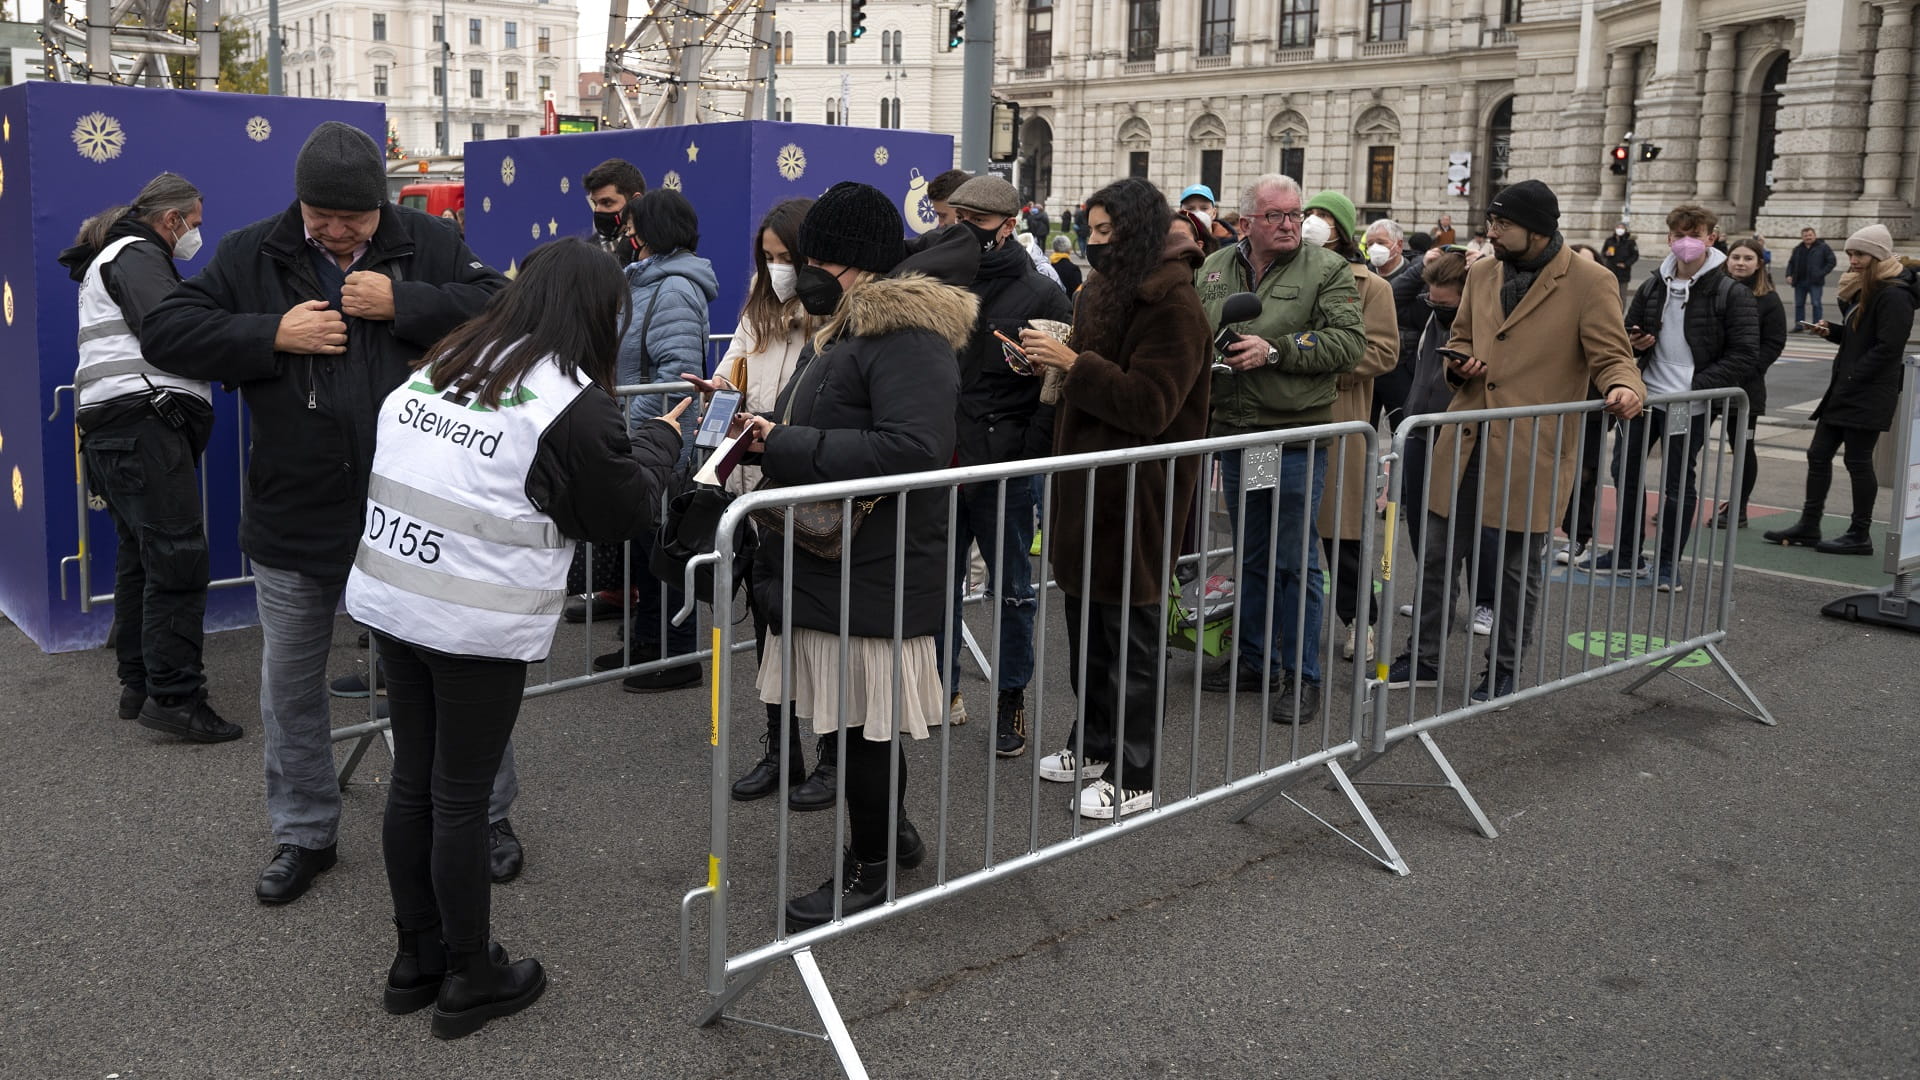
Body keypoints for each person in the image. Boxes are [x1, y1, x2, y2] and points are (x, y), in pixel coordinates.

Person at [142, 121, 511, 904]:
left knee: (456, 672)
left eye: (356, 218)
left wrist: (402, 301)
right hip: (294, 514)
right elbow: (169, 329)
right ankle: (305, 833)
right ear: (300, 200)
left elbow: (503, 312)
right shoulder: (253, 252)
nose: (338, 231)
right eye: (323, 216)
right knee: (290, 686)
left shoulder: (431, 242)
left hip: (413, 513)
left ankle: (484, 818)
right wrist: (270, 332)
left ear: (380, 205)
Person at [343, 238, 685, 1039]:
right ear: (599, 314)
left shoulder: (452, 361)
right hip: (472, 619)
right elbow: (621, 512)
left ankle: (415, 960)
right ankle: (470, 975)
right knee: (459, 799)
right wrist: (666, 441)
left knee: (414, 786)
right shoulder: (568, 398)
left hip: (396, 597)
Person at [735, 181, 977, 928]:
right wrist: (760, 423)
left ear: (857, 262)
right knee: (854, 722)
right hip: (837, 557)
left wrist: (785, 443)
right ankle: (892, 837)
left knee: (860, 728)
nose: (801, 271)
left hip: (875, 563)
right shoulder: (842, 329)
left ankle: (867, 871)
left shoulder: (903, 336)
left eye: (818, 257)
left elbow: (914, 447)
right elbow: (829, 417)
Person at [1386, 179, 1646, 703]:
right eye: (1491, 223)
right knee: (1436, 554)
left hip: (1532, 444)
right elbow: (1459, 336)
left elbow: (1613, 354)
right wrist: (1461, 364)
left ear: (1537, 229)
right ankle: (1424, 657)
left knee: (1515, 567)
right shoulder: (1482, 271)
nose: (1492, 233)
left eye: (1502, 225)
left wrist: (1624, 386)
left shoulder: (1591, 281)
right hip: (1464, 435)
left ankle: (1503, 668)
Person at [1018, 177, 1211, 816]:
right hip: (1086, 484)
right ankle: (1094, 738)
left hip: (1140, 494)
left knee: (1131, 635)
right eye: (1092, 230)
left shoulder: (1174, 305)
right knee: (1087, 626)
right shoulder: (1102, 291)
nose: (1095, 242)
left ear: (1137, 232)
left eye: (1106, 232)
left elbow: (1151, 404)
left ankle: (1135, 774)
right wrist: (1052, 359)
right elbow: (1096, 375)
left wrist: (1073, 365)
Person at [57, 173, 239, 743]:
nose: (197, 236)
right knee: (178, 557)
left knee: (142, 557)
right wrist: (251, 347)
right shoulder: (137, 254)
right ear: (172, 220)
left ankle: (140, 684)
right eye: (196, 225)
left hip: (120, 426)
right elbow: (171, 333)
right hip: (143, 424)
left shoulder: (117, 256)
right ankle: (176, 698)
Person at [1194, 174, 1365, 723]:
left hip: (1291, 436)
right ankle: (1254, 660)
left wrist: (1275, 350)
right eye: (1276, 216)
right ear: (1246, 223)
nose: (1291, 223)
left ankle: (1302, 674)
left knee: (1294, 560)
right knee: (1253, 550)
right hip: (1240, 434)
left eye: (1295, 214)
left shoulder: (1328, 269)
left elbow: (1349, 343)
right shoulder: (1215, 268)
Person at [938, 174, 1074, 758]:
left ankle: (1011, 700)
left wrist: (1028, 452)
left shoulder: (1042, 293)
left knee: (1015, 591)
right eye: (955, 220)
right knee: (936, 584)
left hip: (1007, 466)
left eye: (977, 224)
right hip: (939, 461)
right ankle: (942, 688)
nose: (963, 233)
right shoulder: (934, 281)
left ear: (1009, 225)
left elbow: (1055, 385)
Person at [703, 198, 826, 804]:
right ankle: (782, 751)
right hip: (754, 487)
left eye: (787, 257)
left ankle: (831, 757)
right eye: (769, 257)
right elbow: (735, 363)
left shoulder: (832, 308)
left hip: (809, 484)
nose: (776, 268)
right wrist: (720, 388)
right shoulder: (760, 299)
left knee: (821, 632)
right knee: (771, 625)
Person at [588, 189, 717, 693]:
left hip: (660, 437)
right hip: (642, 433)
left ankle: (678, 654)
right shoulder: (647, 280)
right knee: (645, 546)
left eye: (631, 224)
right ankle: (647, 644)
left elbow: (675, 375)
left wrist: (637, 428)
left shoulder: (676, 287)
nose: (624, 232)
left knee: (664, 548)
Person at [1597, 204, 1759, 591]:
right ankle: (1625, 553)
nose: (1687, 243)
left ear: (1711, 238)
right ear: (1669, 239)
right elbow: (1625, 337)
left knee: (1677, 482)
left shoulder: (1729, 292)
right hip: (1644, 397)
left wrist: (1697, 386)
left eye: (1695, 234)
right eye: (1679, 235)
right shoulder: (1654, 284)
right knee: (1626, 471)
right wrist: (1635, 342)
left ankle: (1668, 563)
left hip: (1689, 402)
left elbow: (1745, 354)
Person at [1765, 224, 1917, 555]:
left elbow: (1889, 347)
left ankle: (1859, 533)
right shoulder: (1866, 288)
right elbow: (1860, 337)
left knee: (1858, 460)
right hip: (1847, 388)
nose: (1852, 260)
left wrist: (1853, 378)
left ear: (1877, 255)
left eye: (1859, 254)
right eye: (1849, 253)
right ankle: (1809, 523)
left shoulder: (1894, 293)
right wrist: (1832, 331)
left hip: (1868, 390)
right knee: (1818, 454)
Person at [1305, 191, 1398, 670]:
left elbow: (1382, 353)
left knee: (1344, 541)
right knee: (1285, 539)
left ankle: (1361, 623)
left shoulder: (1372, 287)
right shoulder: (1285, 271)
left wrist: (1313, 361)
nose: (1312, 224)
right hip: (1286, 422)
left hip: (1338, 421)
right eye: (1308, 215)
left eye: (1322, 216)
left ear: (1341, 229)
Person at [1714, 237, 1787, 528]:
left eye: (1747, 258)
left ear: (1759, 264)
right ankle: (1680, 501)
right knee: (1687, 446)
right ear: (1726, 260)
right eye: (1736, 257)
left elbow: (1774, 342)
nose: (1740, 263)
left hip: (1745, 386)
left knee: (1743, 448)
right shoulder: (1715, 289)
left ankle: (1738, 508)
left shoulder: (1769, 299)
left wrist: (1747, 369)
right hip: (1708, 382)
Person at [1364, 217, 1424, 432]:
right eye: (1370, 244)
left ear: (1398, 245)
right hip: (1368, 367)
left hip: (1402, 366)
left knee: (1403, 430)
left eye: (1380, 242)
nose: (1374, 249)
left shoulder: (1418, 278)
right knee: (1362, 430)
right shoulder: (1363, 276)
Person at [583, 158, 648, 266]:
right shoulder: (585, 253)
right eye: (595, 204)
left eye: (607, 202)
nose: (598, 210)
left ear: (635, 201)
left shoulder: (657, 250)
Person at [1786, 225, 1838, 328]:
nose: (1808, 237)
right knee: (1799, 304)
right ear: (1802, 237)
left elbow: (1832, 261)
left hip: (1815, 281)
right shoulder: (1798, 248)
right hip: (1800, 281)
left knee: (1816, 304)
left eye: (1810, 235)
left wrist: (1821, 273)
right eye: (1805, 236)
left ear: (1814, 235)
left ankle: (1816, 326)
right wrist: (1788, 275)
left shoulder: (1823, 247)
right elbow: (1791, 263)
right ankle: (1799, 326)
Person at [1600, 221, 1638, 288]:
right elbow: (1603, 253)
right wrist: (1606, 254)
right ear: (1615, 229)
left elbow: (1635, 255)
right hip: (1611, 269)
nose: (1620, 229)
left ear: (1625, 230)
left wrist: (1626, 264)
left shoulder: (1630, 241)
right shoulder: (1609, 240)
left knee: (1622, 294)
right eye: (1618, 227)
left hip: (1623, 272)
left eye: (1622, 228)